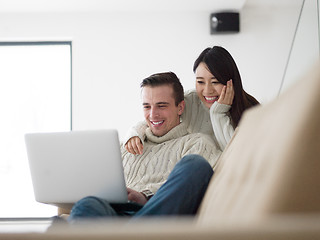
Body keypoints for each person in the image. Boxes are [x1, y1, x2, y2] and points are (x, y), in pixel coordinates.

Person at [68, 72, 221, 221]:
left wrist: (145, 197)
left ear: (180, 108)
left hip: (156, 213)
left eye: (161, 106)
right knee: (86, 205)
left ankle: (138, 230)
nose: (153, 115)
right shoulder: (124, 147)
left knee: (196, 165)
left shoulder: (196, 143)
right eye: (147, 107)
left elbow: (196, 187)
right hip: (113, 217)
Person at [125, 46, 259, 154]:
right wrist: (134, 134)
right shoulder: (190, 100)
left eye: (215, 82)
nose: (207, 90)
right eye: (200, 82)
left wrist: (218, 113)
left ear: (231, 82)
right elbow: (154, 118)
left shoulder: (251, 112)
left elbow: (235, 156)